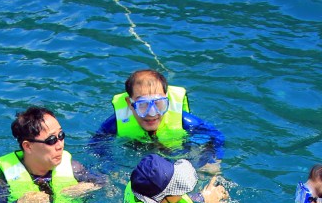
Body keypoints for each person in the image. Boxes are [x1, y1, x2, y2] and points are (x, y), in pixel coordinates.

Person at [93, 68, 224, 171]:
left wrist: (211, 161)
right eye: (143, 104)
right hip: (137, 151)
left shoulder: (183, 120)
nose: (152, 113)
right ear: (129, 103)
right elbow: (96, 145)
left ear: (167, 100)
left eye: (158, 103)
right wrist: (108, 168)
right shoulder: (116, 123)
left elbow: (216, 136)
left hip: (175, 152)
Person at [0, 106, 103, 203]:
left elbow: (105, 183)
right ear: (28, 146)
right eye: (51, 140)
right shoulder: (3, 180)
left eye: (61, 135)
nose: (60, 145)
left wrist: (87, 187)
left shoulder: (74, 168)